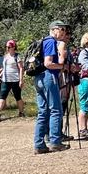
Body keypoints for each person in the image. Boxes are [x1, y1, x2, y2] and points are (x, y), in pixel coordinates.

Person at [33, 21, 72, 154]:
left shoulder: (44, 41)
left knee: (43, 111)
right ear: (54, 29)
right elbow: (48, 63)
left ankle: (39, 144)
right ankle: (55, 142)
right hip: (48, 77)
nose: (63, 32)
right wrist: (64, 66)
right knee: (56, 109)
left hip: (39, 78)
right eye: (62, 29)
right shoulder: (50, 41)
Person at [0, 39, 25, 119]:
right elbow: (5, 67)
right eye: (6, 47)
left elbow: (21, 68)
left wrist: (21, 80)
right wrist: (1, 73)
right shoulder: (5, 56)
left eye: (9, 47)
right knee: (2, 96)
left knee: (17, 96)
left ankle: (21, 112)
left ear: (13, 47)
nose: (7, 48)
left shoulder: (17, 56)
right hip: (6, 80)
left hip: (15, 80)